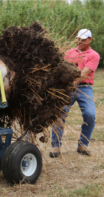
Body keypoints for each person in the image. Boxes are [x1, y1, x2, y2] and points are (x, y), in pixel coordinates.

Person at [49, 29, 100, 157]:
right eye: (79, 39)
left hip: (85, 88)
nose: (81, 41)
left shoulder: (94, 55)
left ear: (90, 40)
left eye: (84, 39)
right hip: (67, 88)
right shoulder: (69, 53)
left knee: (90, 114)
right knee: (59, 114)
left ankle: (83, 144)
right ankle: (56, 146)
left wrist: (70, 83)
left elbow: (83, 74)